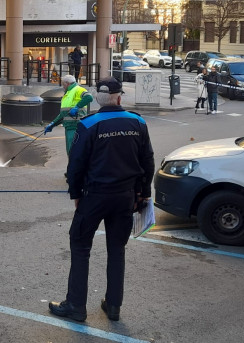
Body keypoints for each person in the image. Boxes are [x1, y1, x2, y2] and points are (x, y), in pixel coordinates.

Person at [48, 76, 154, 323]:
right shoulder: (138, 122)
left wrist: (75, 194)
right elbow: (147, 160)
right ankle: (114, 305)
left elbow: (75, 164)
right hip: (126, 197)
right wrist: (144, 193)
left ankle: (76, 306)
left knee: (80, 246)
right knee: (117, 249)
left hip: (94, 196)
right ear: (119, 97)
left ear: (98, 98)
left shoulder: (89, 124)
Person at [43, 75, 93, 159]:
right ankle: (73, 170)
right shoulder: (68, 94)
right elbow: (63, 115)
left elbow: (89, 97)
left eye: (63, 84)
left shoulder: (78, 89)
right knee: (71, 152)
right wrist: (52, 124)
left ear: (67, 83)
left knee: (74, 153)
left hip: (76, 126)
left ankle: (74, 171)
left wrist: (77, 107)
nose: (63, 86)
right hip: (69, 126)